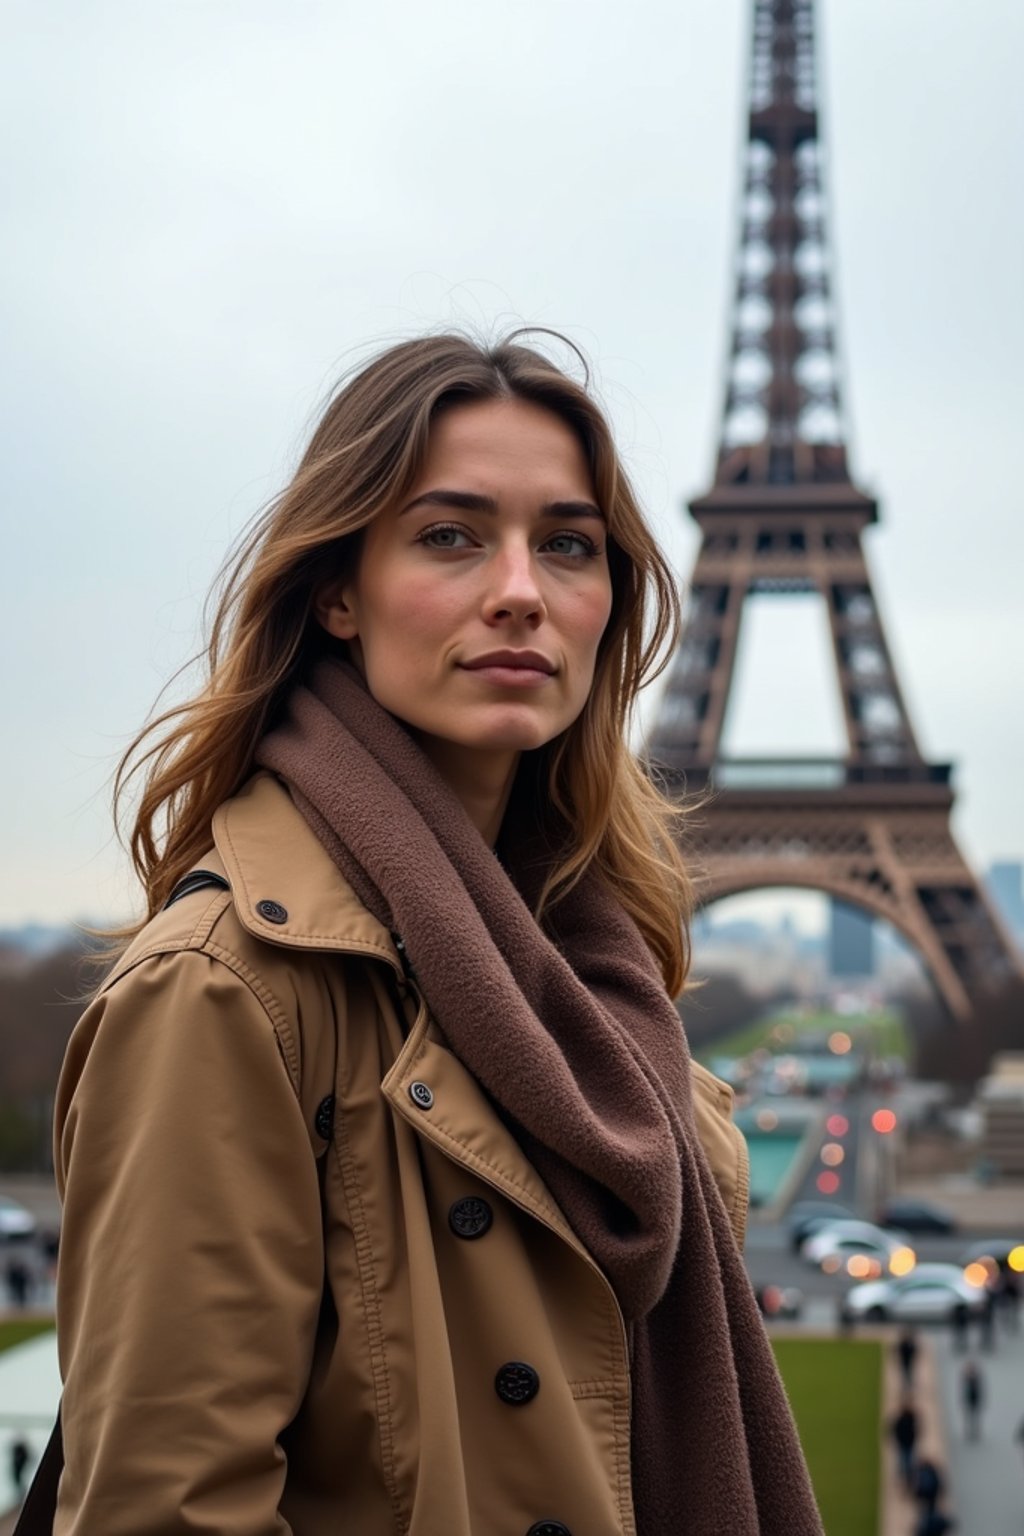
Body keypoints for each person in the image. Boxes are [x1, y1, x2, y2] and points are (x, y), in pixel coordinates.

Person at [47, 333, 824, 1535]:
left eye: (567, 543)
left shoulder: (583, 959)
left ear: (608, 602)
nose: (520, 588)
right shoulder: (221, 993)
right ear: (338, 593)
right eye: (451, 535)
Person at [889, 1398, 919, 1493]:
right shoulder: (904, 1419)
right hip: (904, 1444)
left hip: (908, 1444)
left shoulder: (910, 1418)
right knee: (905, 1462)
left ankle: (907, 1479)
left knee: (907, 1462)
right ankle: (905, 1479)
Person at [960, 1358, 984, 1441]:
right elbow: (963, 1390)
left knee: (975, 1417)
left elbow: (980, 1390)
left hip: (975, 1399)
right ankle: (968, 1432)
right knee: (968, 1417)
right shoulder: (965, 1378)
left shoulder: (976, 1378)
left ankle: (975, 1432)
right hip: (968, 1400)